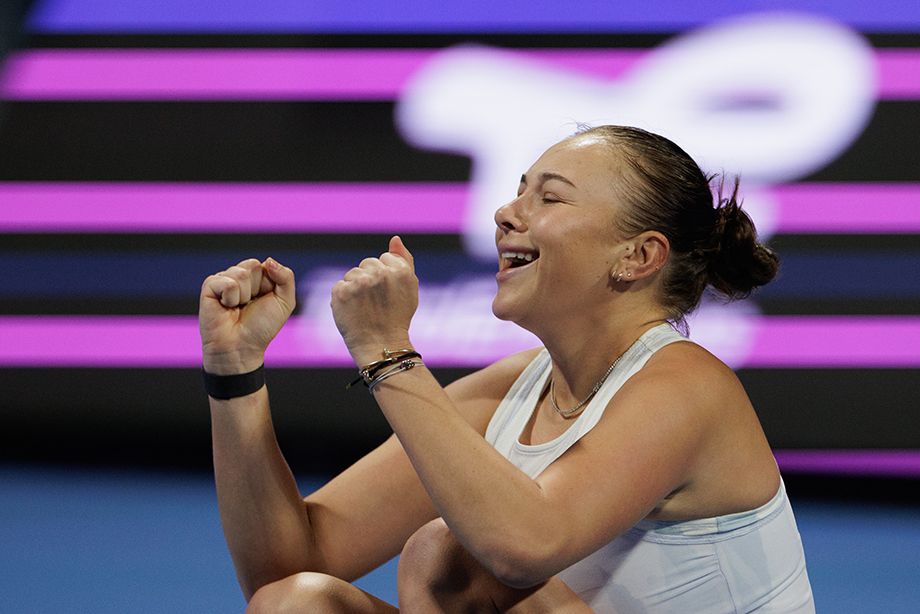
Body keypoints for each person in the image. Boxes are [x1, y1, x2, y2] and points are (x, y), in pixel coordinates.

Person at [199, 125, 815, 613]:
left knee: (447, 560)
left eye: (549, 197)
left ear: (638, 255)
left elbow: (525, 547)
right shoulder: (511, 391)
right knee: (295, 604)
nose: (506, 212)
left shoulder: (687, 387)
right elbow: (290, 563)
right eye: (519, 191)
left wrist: (387, 351)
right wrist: (235, 371)